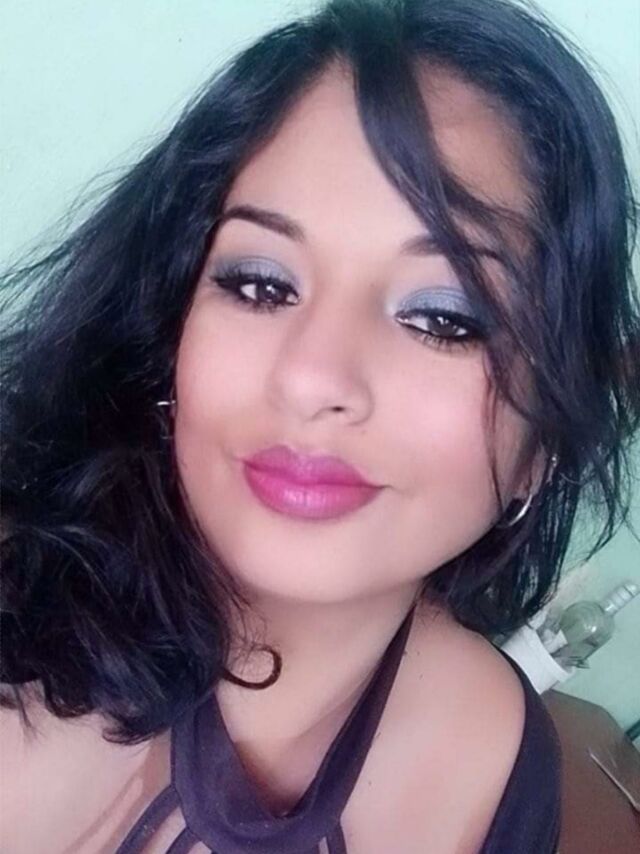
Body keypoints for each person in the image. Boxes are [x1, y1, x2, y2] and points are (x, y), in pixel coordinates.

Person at [1, 0, 639, 851]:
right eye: (260, 284)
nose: (311, 377)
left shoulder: (503, 771)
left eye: (444, 317)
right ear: (170, 336)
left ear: (547, 439)